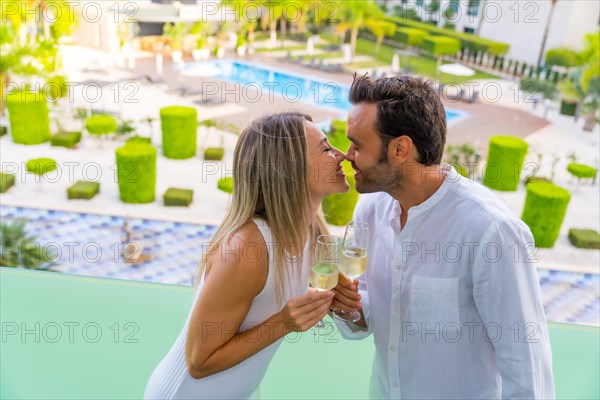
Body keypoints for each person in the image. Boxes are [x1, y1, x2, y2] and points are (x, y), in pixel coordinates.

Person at [331, 74, 555, 399]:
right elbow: (366, 311)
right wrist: (347, 305)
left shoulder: (489, 230)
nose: (347, 154)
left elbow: (526, 364)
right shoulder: (369, 210)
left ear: (401, 149)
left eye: (358, 144)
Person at [144, 112, 349, 399]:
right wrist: (283, 323)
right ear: (290, 169)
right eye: (326, 148)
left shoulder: (312, 233)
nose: (341, 154)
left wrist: (343, 302)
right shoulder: (247, 249)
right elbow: (198, 362)